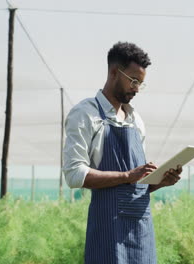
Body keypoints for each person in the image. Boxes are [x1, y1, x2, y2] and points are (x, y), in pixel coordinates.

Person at [62, 41, 183, 264]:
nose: (137, 88)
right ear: (114, 72)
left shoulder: (136, 120)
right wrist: (126, 176)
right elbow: (74, 174)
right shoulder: (85, 114)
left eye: (141, 83)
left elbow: (136, 186)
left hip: (141, 229)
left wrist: (160, 182)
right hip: (108, 229)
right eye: (133, 81)